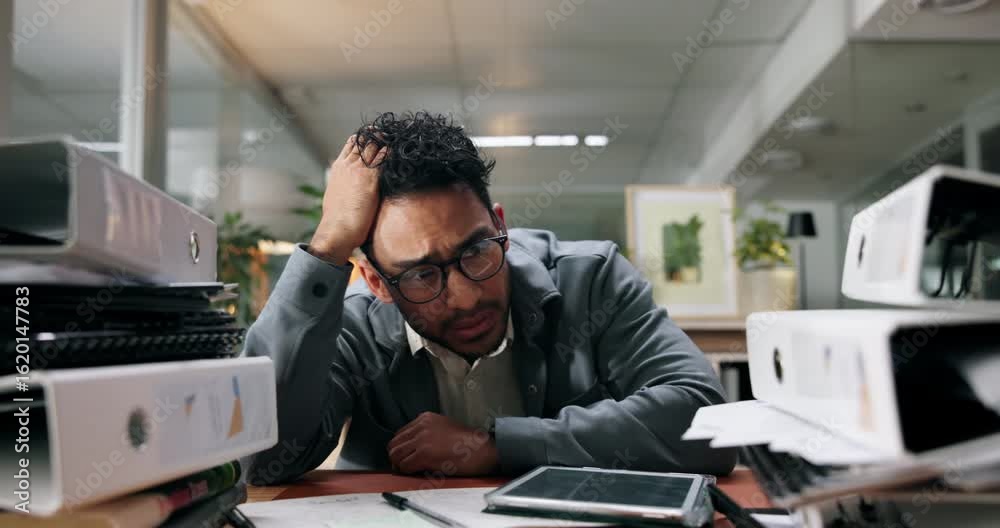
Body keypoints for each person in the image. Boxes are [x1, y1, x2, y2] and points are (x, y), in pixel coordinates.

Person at [243, 111, 736, 485]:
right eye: (420, 275)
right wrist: (328, 248)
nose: (464, 297)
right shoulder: (355, 325)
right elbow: (262, 458)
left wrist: (500, 445)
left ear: (500, 224)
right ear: (375, 282)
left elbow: (704, 420)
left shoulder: (592, 281)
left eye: (476, 250)